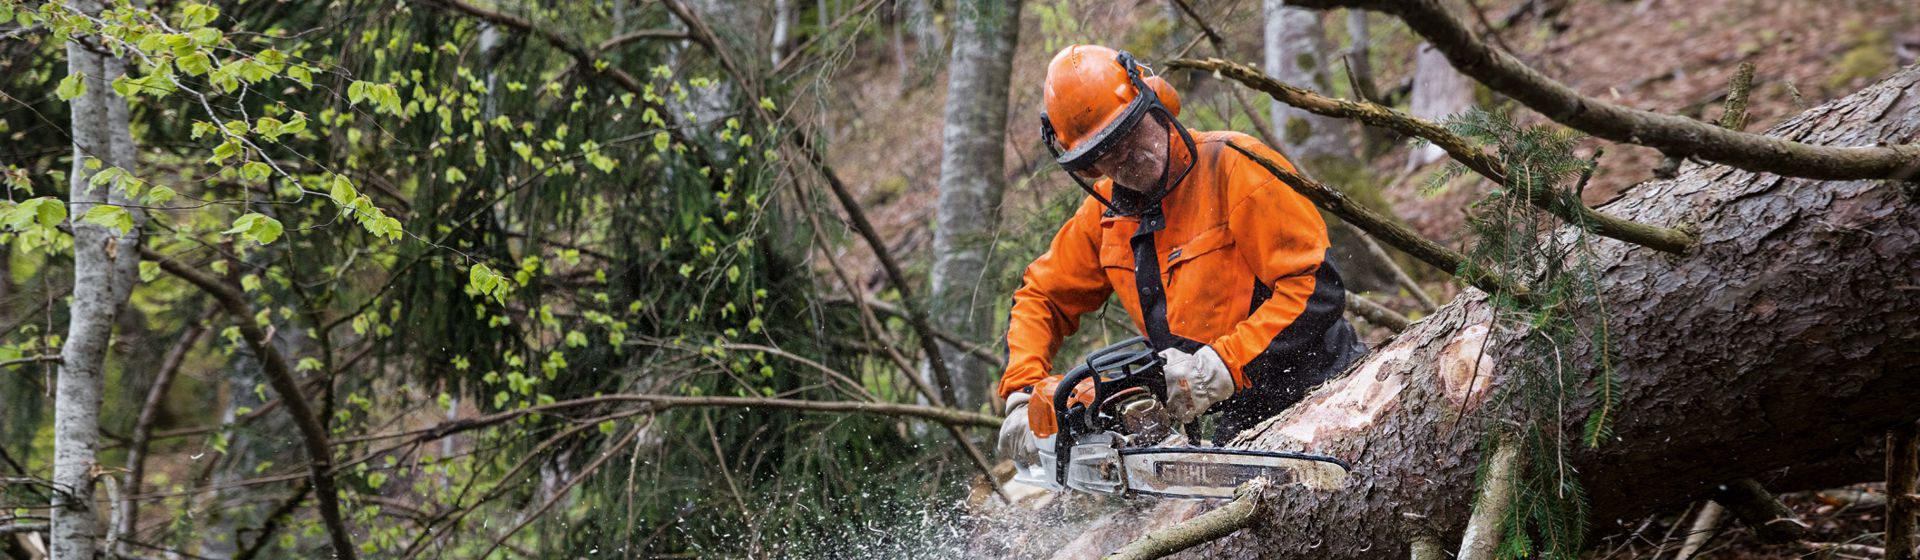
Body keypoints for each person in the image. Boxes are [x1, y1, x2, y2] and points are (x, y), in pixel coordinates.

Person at [996, 45, 1366, 465]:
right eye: (1104, 152)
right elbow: (1042, 295)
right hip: (1242, 424)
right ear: (1087, 165)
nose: (1125, 158)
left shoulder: (1235, 167)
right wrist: (1024, 393)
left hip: (1325, 384)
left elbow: (1316, 290)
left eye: (1128, 134)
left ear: (1153, 104)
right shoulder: (1104, 215)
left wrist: (1218, 368)